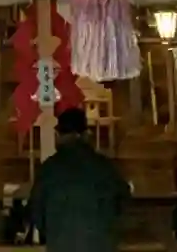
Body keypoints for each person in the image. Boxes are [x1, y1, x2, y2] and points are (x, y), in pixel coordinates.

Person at [28, 106, 131, 252]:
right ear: (86, 134)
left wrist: (54, 233)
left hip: (61, 244)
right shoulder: (105, 167)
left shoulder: (49, 169)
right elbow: (123, 202)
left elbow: (36, 210)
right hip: (100, 243)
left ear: (59, 134)